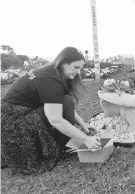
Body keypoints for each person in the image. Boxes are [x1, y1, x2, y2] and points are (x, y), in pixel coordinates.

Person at [1, 47, 101, 175]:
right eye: (76, 67)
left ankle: (65, 142)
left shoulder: (55, 73)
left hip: (22, 115)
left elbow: (61, 104)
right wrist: (86, 140)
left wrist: (83, 124)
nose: (78, 72)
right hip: (13, 124)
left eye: (80, 68)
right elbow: (55, 119)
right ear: (63, 63)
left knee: (67, 101)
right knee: (66, 103)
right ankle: (64, 144)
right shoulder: (49, 79)